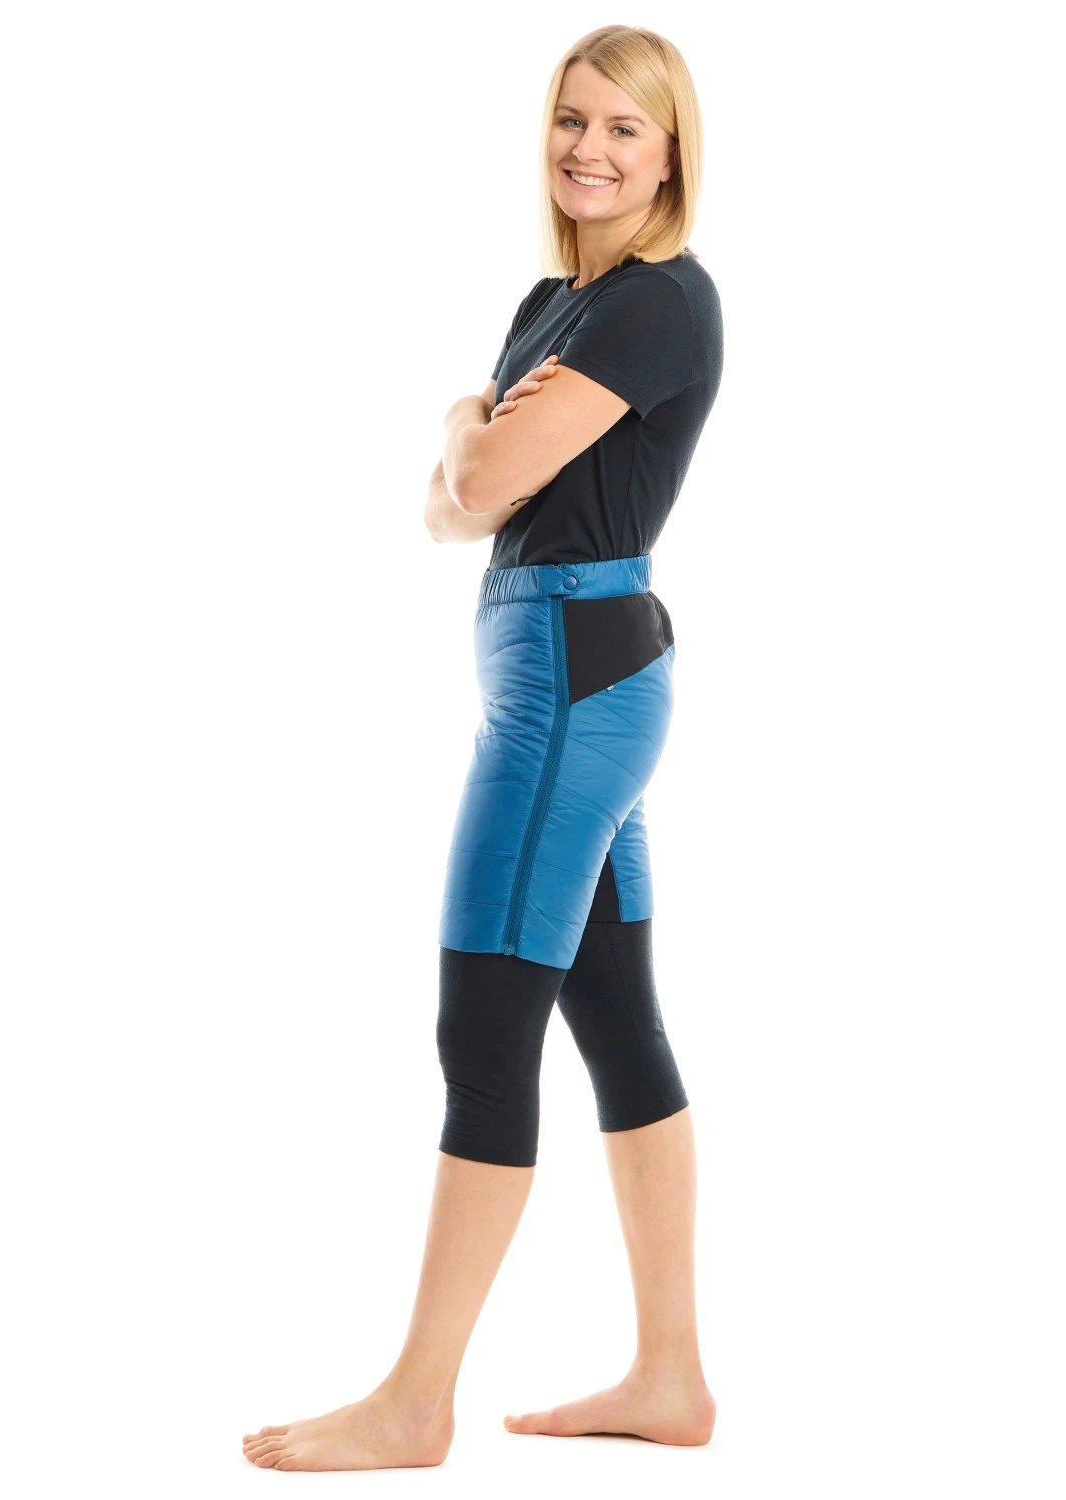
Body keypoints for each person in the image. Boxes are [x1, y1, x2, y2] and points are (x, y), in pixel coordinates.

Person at [244, 26, 724, 1472]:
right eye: (572, 119)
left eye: (624, 128)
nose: (590, 148)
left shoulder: (658, 304)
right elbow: (447, 516)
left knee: (484, 1026)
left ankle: (415, 1402)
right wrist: (471, 453)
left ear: (672, 155)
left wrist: (463, 419)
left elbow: (484, 473)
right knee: (618, 1018)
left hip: (571, 686)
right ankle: (671, 1377)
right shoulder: (553, 305)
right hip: (574, 675)